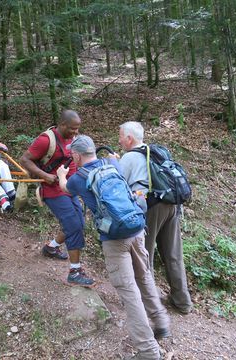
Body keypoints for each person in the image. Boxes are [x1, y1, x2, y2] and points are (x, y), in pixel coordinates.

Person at [56, 135, 170, 360]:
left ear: (78, 156)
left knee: (129, 292)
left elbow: (65, 189)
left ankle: (148, 352)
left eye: (73, 156)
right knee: (144, 277)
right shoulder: (111, 164)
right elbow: (118, 169)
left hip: (114, 238)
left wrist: (61, 175)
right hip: (137, 228)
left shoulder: (79, 177)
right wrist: (114, 158)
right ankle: (161, 322)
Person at [118, 121, 193, 314]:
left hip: (151, 207)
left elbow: (119, 184)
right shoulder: (156, 152)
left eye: (120, 136)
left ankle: (148, 303)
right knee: (173, 254)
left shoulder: (129, 158)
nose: (119, 140)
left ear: (129, 138)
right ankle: (182, 301)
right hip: (172, 204)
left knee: (145, 254)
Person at [20, 110, 94, 287]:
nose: (75, 133)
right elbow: (25, 159)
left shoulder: (73, 138)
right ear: (62, 125)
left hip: (69, 188)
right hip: (52, 189)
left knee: (79, 224)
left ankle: (51, 247)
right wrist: (44, 175)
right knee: (73, 225)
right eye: (72, 129)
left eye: (78, 129)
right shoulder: (46, 140)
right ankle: (74, 272)